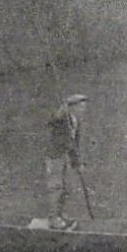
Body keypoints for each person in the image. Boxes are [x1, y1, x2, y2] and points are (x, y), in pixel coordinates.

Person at [44, 93, 88, 227]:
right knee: (56, 187)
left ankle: (60, 215)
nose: (83, 109)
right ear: (73, 107)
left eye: (83, 106)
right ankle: (53, 218)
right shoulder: (63, 118)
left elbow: (74, 144)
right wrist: (61, 111)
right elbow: (51, 121)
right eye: (81, 106)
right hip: (55, 156)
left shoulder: (76, 121)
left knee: (65, 188)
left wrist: (77, 163)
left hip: (66, 157)